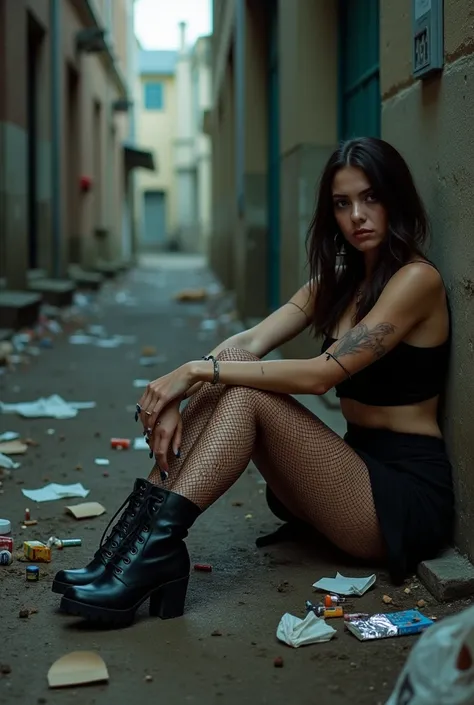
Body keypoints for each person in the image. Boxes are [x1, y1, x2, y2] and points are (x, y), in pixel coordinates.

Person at [52, 136, 454, 628]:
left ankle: (149, 554)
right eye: (343, 204)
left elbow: (321, 373)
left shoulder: (416, 280)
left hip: (401, 500)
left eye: (371, 197)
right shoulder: (339, 280)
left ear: (396, 198)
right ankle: (126, 552)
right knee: (235, 367)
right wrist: (185, 389)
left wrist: (197, 372)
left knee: (242, 389)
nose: (358, 216)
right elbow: (252, 339)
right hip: (350, 467)